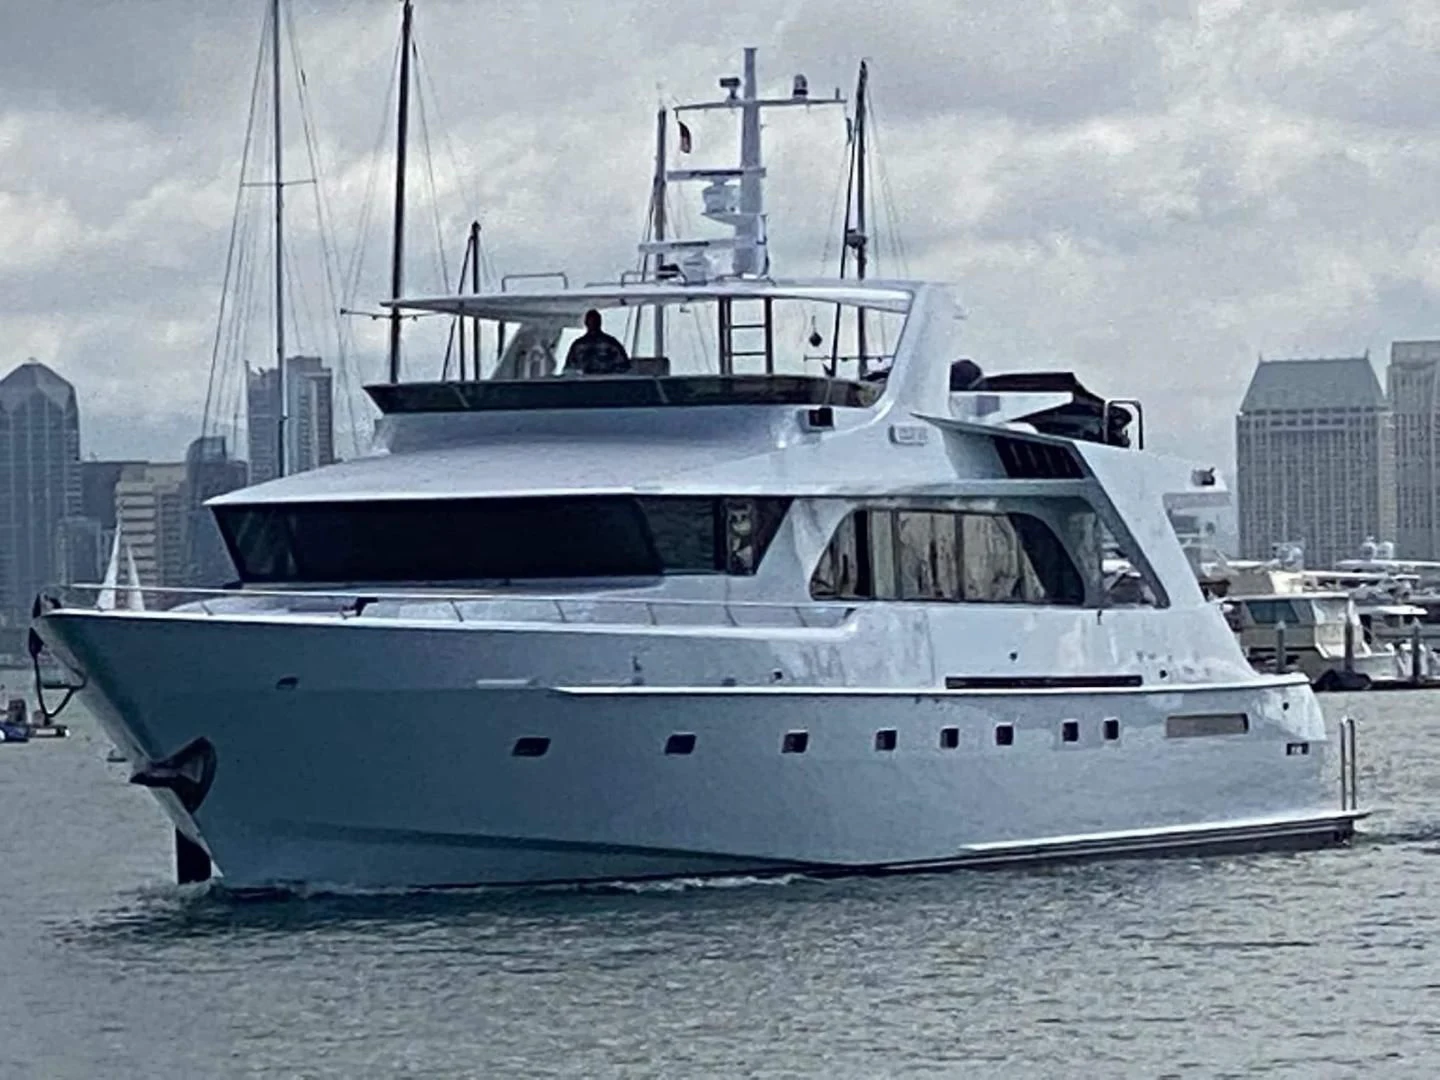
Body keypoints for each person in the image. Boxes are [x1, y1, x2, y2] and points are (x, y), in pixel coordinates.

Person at [563, 309, 631, 375]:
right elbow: (569, 370)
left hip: (606, 383)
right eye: (591, 321)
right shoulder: (578, 346)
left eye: (595, 321)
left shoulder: (611, 344)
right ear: (586, 323)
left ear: (600, 322)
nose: (592, 324)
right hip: (582, 383)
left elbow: (623, 367)